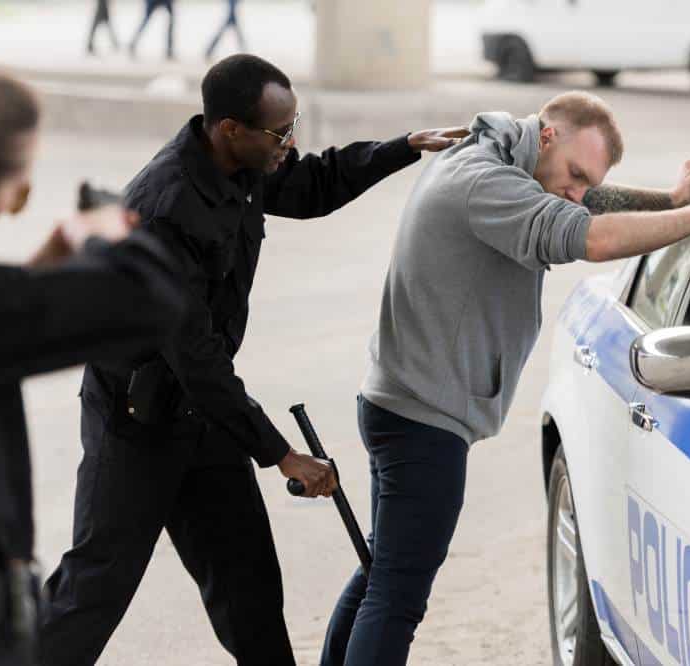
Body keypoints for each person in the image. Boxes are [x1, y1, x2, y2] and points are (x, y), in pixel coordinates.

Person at [39, 54, 468, 666]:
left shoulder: (248, 164)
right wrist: (282, 454)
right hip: (137, 421)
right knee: (93, 592)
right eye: (280, 132)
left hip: (205, 419)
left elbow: (316, 183)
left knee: (250, 594)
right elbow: (196, 358)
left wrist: (404, 146)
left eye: (293, 127)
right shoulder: (164, 209)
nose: (290, 144)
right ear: (229, 130)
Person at [320, 91, 690, 666]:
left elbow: (586, 202)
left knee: (383, 571)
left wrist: (672, 197)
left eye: (588, 181)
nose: (577, 191)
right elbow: (592, 236)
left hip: (399, 402)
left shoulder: (500, 155)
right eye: (576, 174)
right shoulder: (486, 183)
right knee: (398, 595)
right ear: (550, 135)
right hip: (421, 421)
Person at [0, 60, 186, 666]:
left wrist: (36, 281)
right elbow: (147, 299)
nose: (21, 202)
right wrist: (103, 232)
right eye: (17, 192)